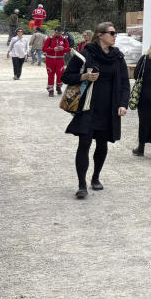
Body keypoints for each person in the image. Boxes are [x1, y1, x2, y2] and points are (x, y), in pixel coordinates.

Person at [61, 22, 129, 199]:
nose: (115, 36)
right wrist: (84, 76)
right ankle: (82, 184)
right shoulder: (86, 53)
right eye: (112, 33)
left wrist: (123, 104)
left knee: (102, 144)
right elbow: (66, 76)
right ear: (100, 35)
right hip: (88, 106)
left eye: (115, 33)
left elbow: (124, 84)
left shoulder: (118, 57)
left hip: (109, 108)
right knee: (84, 143)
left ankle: (96, 177)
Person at [42, 26, 70, 97]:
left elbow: (68, 49)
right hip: (50, 59)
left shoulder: (64, 39)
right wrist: (53, 49)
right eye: (57, 33)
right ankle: (51, 90)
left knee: (60, 74)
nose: (58, 34)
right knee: (50, 75)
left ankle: (58, 87)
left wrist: (63, 49)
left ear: (61, 33)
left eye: (60, 33)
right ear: (55, 32)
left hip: (60, 59)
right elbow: (44, 48)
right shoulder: (49, 39)